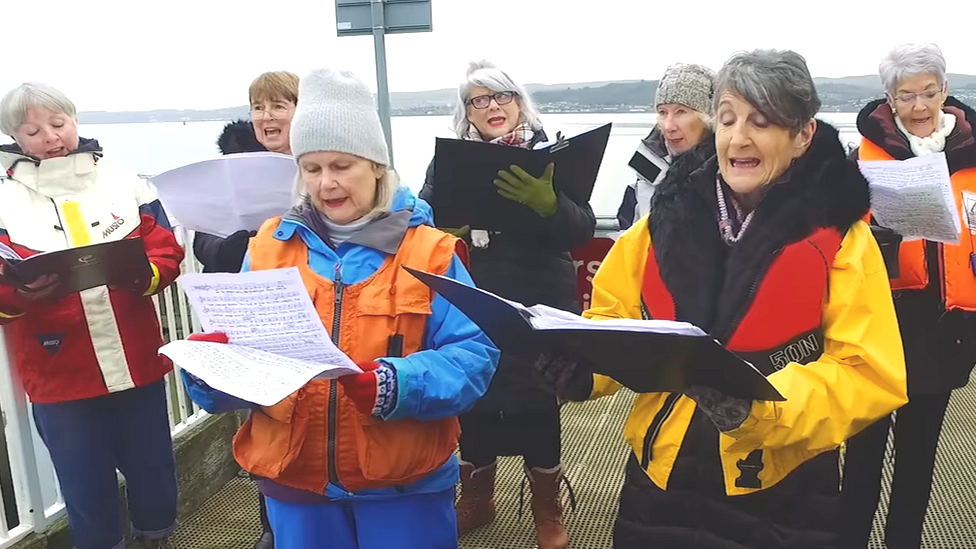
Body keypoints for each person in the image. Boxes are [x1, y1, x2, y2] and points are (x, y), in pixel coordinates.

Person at [534, 49, 908, 548]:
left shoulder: (841, 241)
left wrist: (763, 411)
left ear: (802, 136)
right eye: (728, 118)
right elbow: (613, 322)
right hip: (661, 474)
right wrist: (581, 368)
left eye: (763, 121)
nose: (740, 137)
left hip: (782, 481)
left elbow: (870, 373)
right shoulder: (657, 226)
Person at [181, 67, 500, 549]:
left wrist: (395, 384)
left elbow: (474, 356)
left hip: (403, 486)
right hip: (296, 482)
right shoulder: (265, 248)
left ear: (376, 166)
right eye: (312, 168)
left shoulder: (430, 252)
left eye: (341, 166)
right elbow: (243, 367)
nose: (326, 183)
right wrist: (213, 370)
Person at [419, 60, 596, 549]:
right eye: (479, 99)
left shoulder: (550, 154)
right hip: (474, 299)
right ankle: (478, 498)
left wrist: (549, 205)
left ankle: (546, 509)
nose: (492, 106)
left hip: (542, 298)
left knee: (539, 400)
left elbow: (581, 228)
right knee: (474, 397)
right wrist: (444, 227)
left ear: (519, 102)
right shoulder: (450, 161)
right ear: (467, 111)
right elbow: (423, 217)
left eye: (501, 96)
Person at [0, 83, 185, 549]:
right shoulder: (4, 200)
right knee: (84, 483)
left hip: (135, 359)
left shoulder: (125, 183)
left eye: (58, 124)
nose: (50, 137)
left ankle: (155, 538)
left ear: (75, 120)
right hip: (58, 370)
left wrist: (143, 273)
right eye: (33, 130)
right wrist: (20, 292)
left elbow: (165, 247)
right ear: (16, 138)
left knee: (153, 468)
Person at [841, 43, 976, 549]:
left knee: (918, 463)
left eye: (929, 92)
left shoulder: (972, 156)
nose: (920, 107)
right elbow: (831, 241)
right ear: (888, 99)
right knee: (861, 461)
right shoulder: (859, 161)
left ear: (945, 91)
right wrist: (873, 239)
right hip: (877, 329)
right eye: (906, 96)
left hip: (944, 333)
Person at [193, 70, 298, 274]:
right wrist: (226, 250)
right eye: (258, 108)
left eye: (278, 106)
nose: (266, 116)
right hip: (240, 290)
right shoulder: (232, 165)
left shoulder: (322, 165)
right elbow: (203, 239)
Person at [616, 63, 715, 230]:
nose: (669, 126)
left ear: (708, 118)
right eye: (662, 112)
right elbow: (630, 244)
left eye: (681, 112)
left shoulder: (733, 175)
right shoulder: (643, 178)